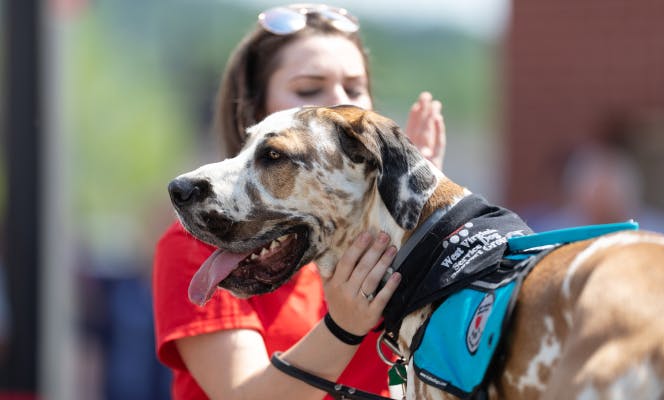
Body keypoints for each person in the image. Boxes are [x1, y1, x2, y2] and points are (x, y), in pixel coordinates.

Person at [152, 4, 446, 399]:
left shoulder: (385, 239)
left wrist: (418, 214)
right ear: (256, 110)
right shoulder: (193, 246)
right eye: (309, 90)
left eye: (355, 89)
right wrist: (343, 326)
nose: (343, 107)